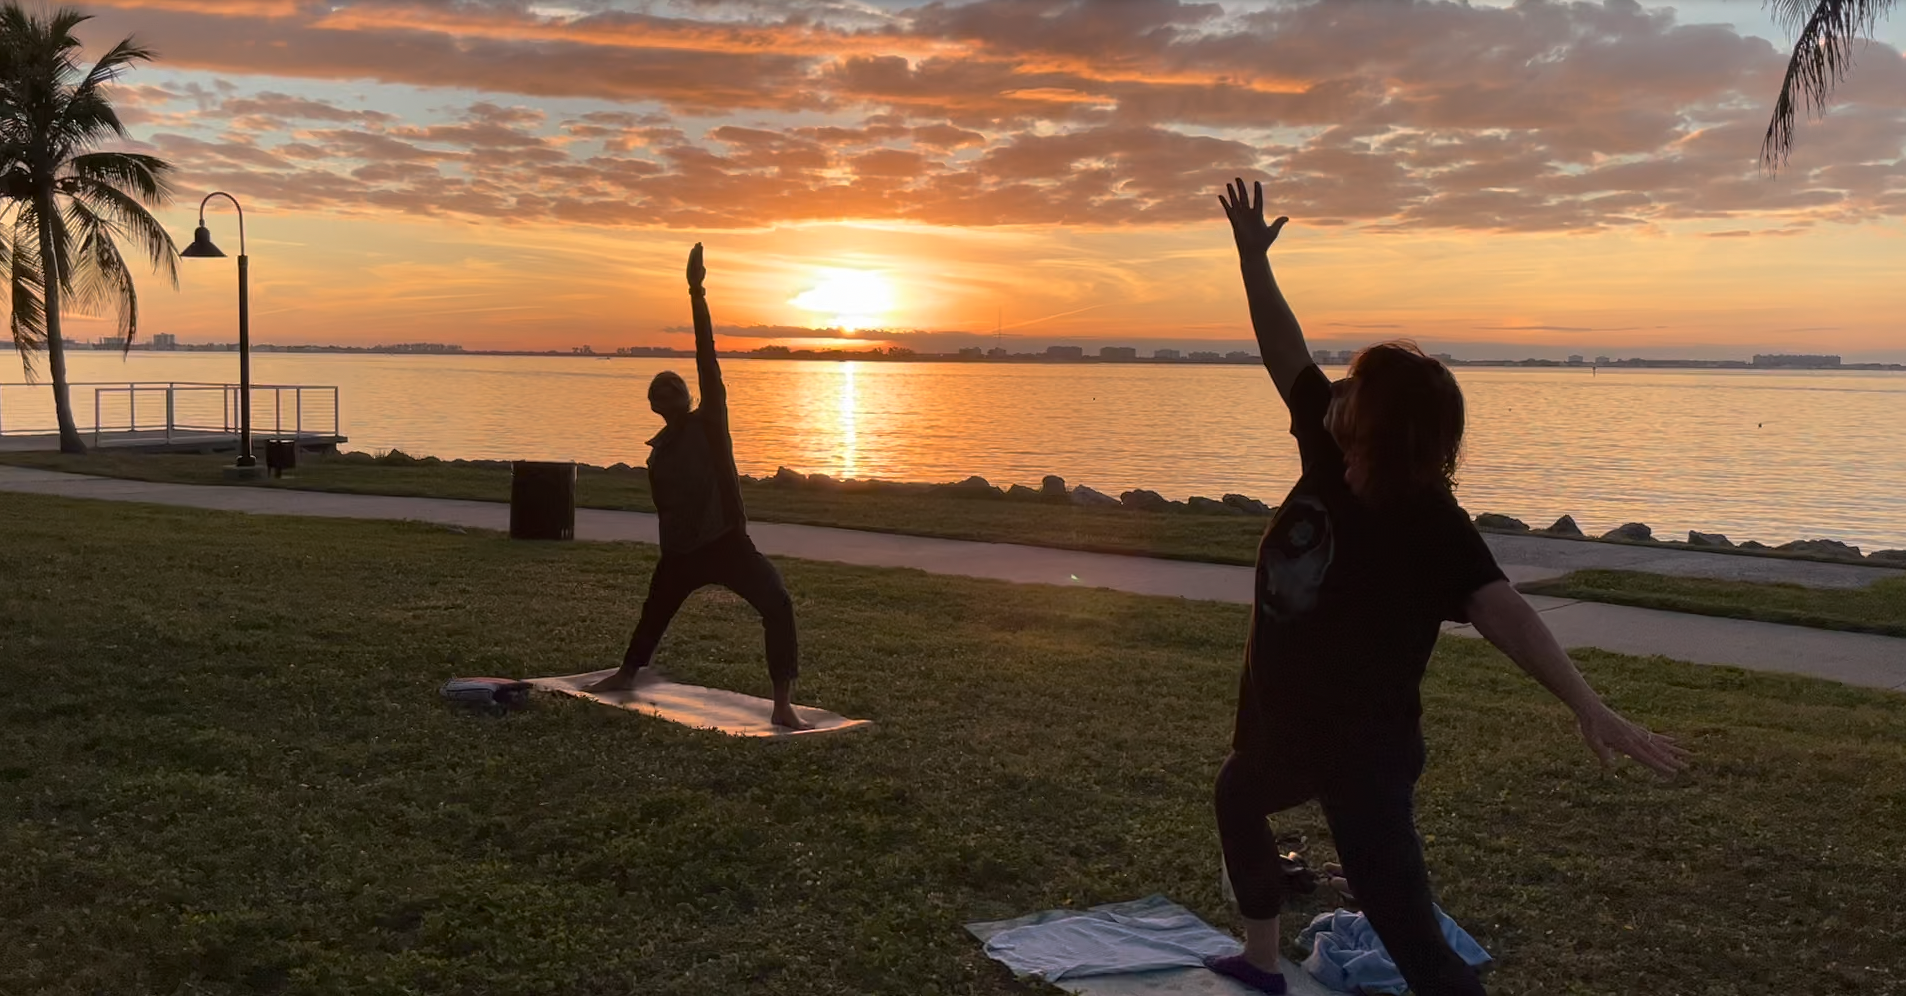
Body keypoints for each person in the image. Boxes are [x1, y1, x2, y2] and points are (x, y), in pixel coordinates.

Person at [1203, 179, 1690, 996]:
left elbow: (1505, 612)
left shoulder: (1428, 522)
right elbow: (1281, 347)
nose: (1337, 390)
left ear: (1382, 427)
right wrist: (1252, 260)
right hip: (1285, 728)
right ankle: (1261, 961)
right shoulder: (1327, 448)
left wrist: (1587, 703)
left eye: (1355, 387)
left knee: (1417, 946)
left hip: (1365, 755)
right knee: (1235, 795)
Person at [584, 243, 812, 731]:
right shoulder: (661, 447)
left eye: (674, 387)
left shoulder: (709, 422)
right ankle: (626, 674)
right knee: (654, 613)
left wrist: (697, 292)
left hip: (727, 544)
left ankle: (782, 704)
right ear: (654, 405)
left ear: (688, 396)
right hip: (682, 553)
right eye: (659, 390)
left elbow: (705, 353)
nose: (667, 392)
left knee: (777, 603)